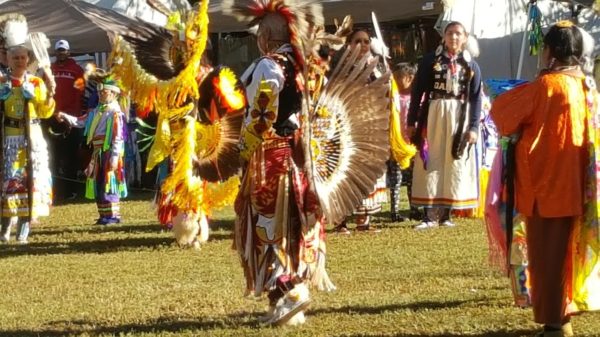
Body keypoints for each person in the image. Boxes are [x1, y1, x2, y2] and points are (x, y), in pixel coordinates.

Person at [226, 0, 335, 326]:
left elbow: (262, 117)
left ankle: (287, 293)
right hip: (301, 157)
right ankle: (291, 291)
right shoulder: (309, 66)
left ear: (266, 37)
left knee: (269, 227)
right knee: (294, 226)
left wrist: (242, 149)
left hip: (270, 158)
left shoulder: (269, 65)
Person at [490, 21, 600, 337]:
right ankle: (560, 319)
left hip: (546, 187)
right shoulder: (585, 85)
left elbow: (502, 113)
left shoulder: (548, 86)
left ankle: (556, 325)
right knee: (564, 256)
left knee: (548, 259)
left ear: (550, 51)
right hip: (576, 185)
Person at [407, 21, 482, 230]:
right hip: (434, 113)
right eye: (450, 33)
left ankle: (446, 214)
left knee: (453, 160)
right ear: (444, 36)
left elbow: (476, 98)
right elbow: (417, 92)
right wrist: (411, 121)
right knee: (430, 159)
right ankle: (429, 215)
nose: (454, 38)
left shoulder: (471, 65)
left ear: (465, 38)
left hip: (460, 115)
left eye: (458, 34)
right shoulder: (430, 61)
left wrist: (474, 127)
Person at [0, 15, 56, 243]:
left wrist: (49, 94)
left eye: (23, 57)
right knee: (8, 180)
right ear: (9, 60)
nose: (20, 61)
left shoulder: (36, 83)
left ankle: (24, 225)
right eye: (16, 57)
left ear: (29, 59)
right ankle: (5, 225)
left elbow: (46, 112)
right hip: (9, 137)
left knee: (30, 177)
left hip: (31, 137)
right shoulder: (2, 81)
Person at [333, 29, 387, 233]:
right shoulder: (340, 69)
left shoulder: (376, 68)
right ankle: (340, 221)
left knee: (368, 168)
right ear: (348, 44)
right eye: (357, 41)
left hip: (371, 125)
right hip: (346, 126)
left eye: (366, 41)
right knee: (345, 170)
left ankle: (364, 219)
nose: (363, 45)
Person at [59, 76, 127, 225]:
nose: (102, 94)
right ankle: (103, 215)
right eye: (100, 92)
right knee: (98, 182)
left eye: (105, 92)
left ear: (114, 93)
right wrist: (64, 116)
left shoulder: (115, 112)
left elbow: (118, 137)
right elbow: (80, 121)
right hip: (97, 152)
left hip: (108, 151)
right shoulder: (96, 111)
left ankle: (113, 216)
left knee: (109, 182)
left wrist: (115, 156)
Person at [50, 39, 85, 200]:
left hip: (70, 118)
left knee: (71, 155)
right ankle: (56, 190)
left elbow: (79, 94)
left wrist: (72, 116)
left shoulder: (77, 70)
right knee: (54, 155)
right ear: (55, 53)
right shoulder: (50, 69)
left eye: (64, 50)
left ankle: (71, 190)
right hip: (53, 116)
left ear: (69, 52)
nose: (61, 53)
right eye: (59, 51)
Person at [388, 62, 418, 222]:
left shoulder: (416, 98)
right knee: (396, 179)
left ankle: (413, 209)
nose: (398, 80)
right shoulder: (392, 97)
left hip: (411, 144)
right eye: (396, 77)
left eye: (402, 77)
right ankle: (395, 212)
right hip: (396, 143)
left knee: (412, 178)